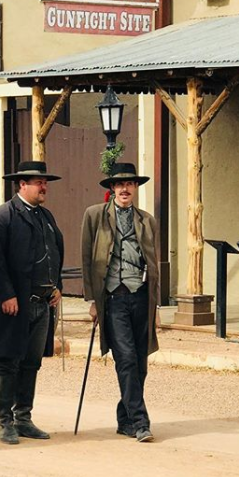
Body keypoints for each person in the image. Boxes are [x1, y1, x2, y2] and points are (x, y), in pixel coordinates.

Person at [0, 161, 64, 445]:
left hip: (42, 303)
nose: (43, 187)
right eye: (37, 182)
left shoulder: (47, 216)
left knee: (31, 363)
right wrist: (6, 294)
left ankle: (23, 418)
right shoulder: (2, 216)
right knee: (8, 362)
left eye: (45, 182)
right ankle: (5, 422)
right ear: (21, 185)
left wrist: (57, 287)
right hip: (15, 303)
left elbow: (54, 254)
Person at [81, 162, 160, 443]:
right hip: (113, 298)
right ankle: (141, 422)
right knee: (125, 359)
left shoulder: (147, 220)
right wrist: (92, 300)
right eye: (120, 184)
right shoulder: (94, 216)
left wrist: (156, 307)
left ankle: (125, 417)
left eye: (130, 184)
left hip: (140, 297)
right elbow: (87, 260)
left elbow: (154, 264)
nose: (125, 188)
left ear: (136, 188)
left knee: (140, 363)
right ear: (112, 188)